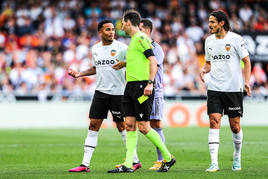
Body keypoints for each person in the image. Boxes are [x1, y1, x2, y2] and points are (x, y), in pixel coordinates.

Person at [68, 20, 140, 173]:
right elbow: (96, 67)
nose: (111, 32)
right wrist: (80, 73)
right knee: (93, 125)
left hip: (119, 93)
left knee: (122, 126)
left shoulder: (122, 48)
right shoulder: (95, 48)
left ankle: (135, 160)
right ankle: (85, 164)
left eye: (113, 29)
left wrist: (125, 63)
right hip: (100, 93)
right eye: (108, 29)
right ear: (100, 32)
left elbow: (135, 61)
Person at [108, 10, 176, 173]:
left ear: (129, 22)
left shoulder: (141, 38)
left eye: (123, 22)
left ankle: (168, 157)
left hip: (141, 87)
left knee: (144, 127)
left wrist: (150, 83)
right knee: (129, 125)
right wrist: (124, 64)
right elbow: (141, 61)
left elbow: (153, 61)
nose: (121, 25)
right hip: (130, 87)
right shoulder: (133, 40)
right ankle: (128, 164)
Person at [200, 10, 251, 172]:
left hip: (233, 89)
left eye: (213, 22)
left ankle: (237, 157)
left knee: (235, 126)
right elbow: (208, 63)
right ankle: (214, 163)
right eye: (209, 21)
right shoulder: (208, 41)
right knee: (214, 121)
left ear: (222, 23)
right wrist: (203, 70)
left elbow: (247, 61)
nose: (210, 25)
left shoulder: (236, 39)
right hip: (214, 88)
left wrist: (247, 82)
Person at [139, 19, 166, 170]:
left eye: (140, 29)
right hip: (141, 90)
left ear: (148, 31)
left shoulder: (156, 48)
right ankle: (133, 159)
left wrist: (149, 83)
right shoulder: (139, 46)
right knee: (133, 123)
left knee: (155, 124)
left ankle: (161, 159)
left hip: (154, 90)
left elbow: (153, 66)